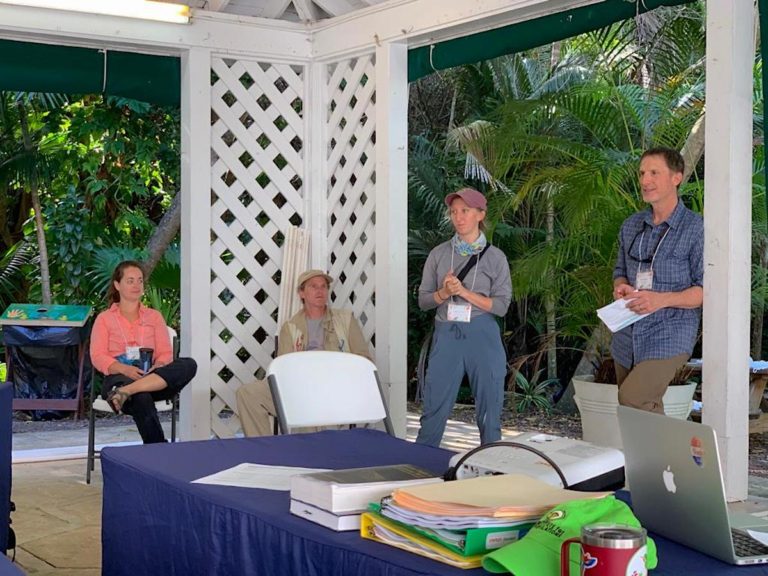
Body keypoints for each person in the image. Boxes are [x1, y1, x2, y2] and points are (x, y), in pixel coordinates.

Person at [416, 188, 512, 447]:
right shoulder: (438, 254)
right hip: (447, 332)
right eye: (454, 212)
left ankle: (489, 464)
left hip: (482, 333)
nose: (458, 217)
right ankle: (420, 465)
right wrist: (444, 293)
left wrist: (464, 293)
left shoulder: (496, 258)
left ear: (480, 215)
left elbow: (501, 306)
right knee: (434, 406)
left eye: (465, 211)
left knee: (489, 409)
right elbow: (423, 301)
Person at [612, 147, 704, 413]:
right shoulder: (630, 226)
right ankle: (665, 444)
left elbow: (704, 290)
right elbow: (619, 271)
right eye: (642, 173)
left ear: (676, 177)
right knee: (638, 412)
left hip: (670, 332)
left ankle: (674, 443)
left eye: (654, 173)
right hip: (628, 334)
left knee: (633, 397)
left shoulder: (695, 228)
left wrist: (660, 300)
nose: (645, 180)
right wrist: (620, 287)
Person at [236, 269, 371, 436]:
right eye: (313, 286)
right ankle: (263, 448)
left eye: (323, 286)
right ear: (301, 293)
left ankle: (311, 449)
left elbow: (364, 360)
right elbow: (283, 369)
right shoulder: (290, 327)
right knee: (247, 393)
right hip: (300, 387)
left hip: (335, 387)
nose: (320, 290)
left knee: (308, 407)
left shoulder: (345, 319)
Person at [90, 260, 197, 444]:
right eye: (130, 281)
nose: (136, 285)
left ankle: (126, 392)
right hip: (119, 378)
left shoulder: (154, 317)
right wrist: (125, 369)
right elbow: (98, 356)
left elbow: (165, 353)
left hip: (154, 378)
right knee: (141, 397)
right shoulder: (104, 319)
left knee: (189, 364)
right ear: (117, 285)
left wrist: (159, 364)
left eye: (140, 280)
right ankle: (158, 451)